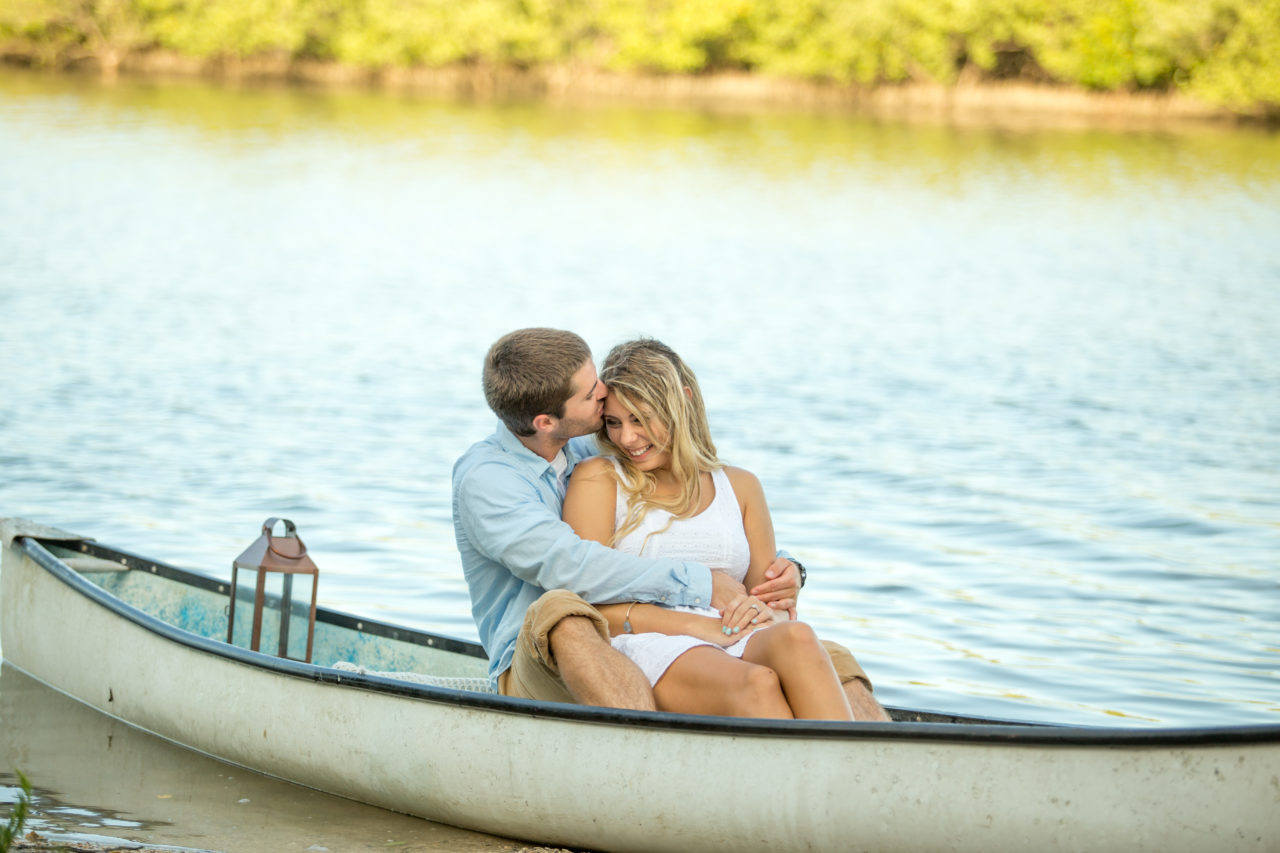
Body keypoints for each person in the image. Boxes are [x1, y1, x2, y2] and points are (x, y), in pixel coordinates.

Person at [452, 328, 803, 712]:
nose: (604, 392)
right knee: (565, 615)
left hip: (663, 633)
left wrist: (784, 570)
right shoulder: (488, 481)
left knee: (822, 660)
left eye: (596, 380)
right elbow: (572, 567)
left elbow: (692, 507)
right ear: (545, 422)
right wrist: (701, 582)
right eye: (590, 395)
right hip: (542, 660)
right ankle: (646, 752)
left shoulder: (597, 443)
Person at [562, 338, 884, 720]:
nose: (626, 438)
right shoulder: (599, 479)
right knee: (758, 683)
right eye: (614, 422)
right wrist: (700, 627)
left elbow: (771, 604)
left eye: (641, 418)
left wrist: (772, 604)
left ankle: (840, 771)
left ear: (683, 400)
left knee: (798, 637)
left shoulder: (741, 486)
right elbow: (585, 607)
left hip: (732, 634)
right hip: (647, 641)